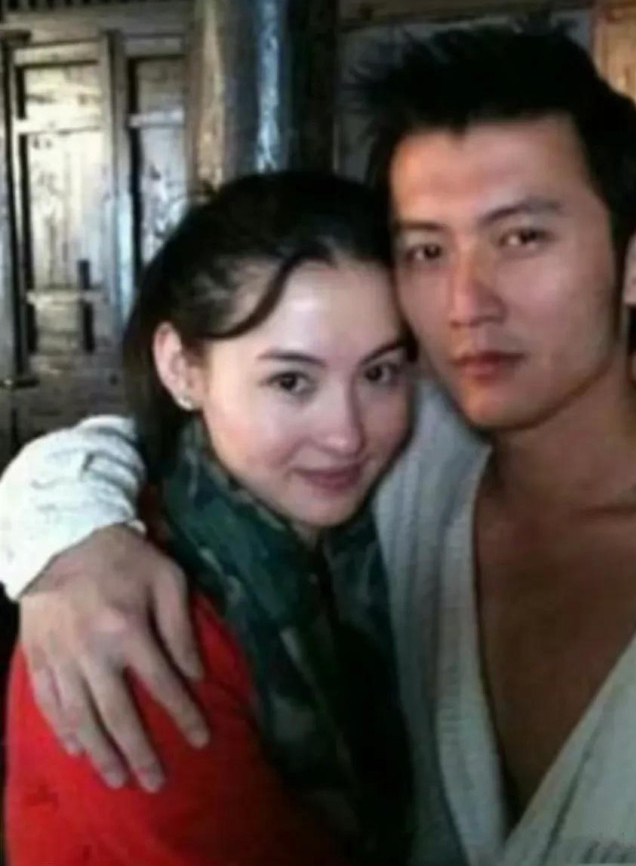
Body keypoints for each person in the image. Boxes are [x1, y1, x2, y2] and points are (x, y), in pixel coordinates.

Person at [2, 26, 636, 864]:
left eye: (522, 237)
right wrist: (71, 541)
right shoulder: (402, 473)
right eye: (426, 250)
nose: (466, 302)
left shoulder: (398, 457)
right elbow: (174, 437)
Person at [3, 171, 414, 866]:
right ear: (182, 368)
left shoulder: (363, 542)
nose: (346, 434)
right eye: (291, 381)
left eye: (380, 373)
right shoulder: (127, 620)